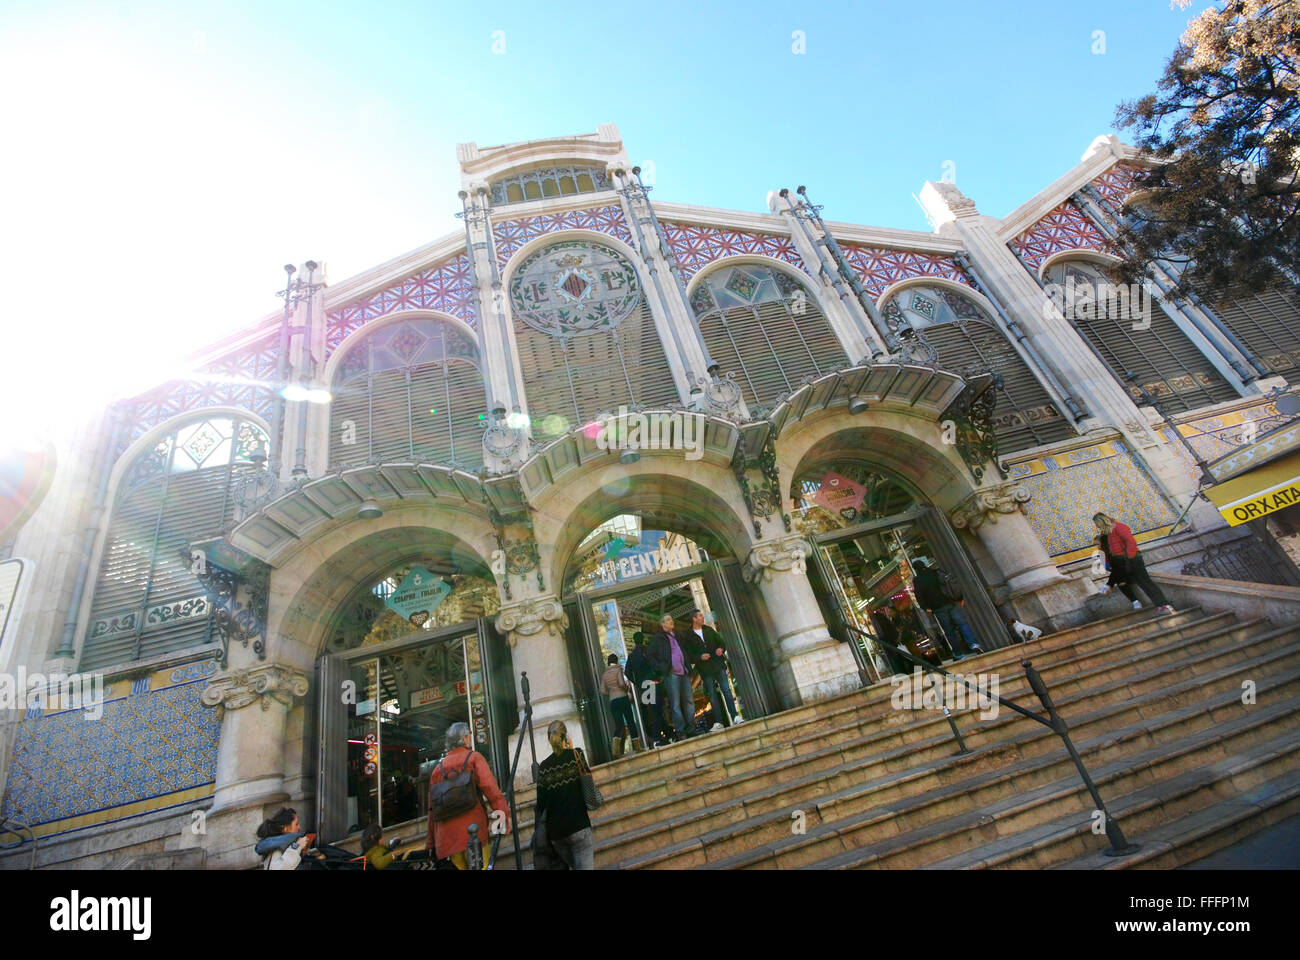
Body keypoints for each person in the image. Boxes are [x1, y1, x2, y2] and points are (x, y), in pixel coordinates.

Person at [425, 721, 510, 870]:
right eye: (469, 734)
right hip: (474, 832)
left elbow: (432, 810)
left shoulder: (437, 770)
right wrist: (503, 816)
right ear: (464, 739)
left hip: (447, 840)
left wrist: (430, 843)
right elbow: (491, 790)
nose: (471, 737)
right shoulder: (473, 758)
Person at [533, 720, 595, 870]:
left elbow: (541, 803)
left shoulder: (544, 767)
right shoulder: (576, 755)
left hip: (557, 833)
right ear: (565, 736)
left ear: (549, 739)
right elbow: (588, 783)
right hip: (579, 825)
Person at [1093, 513, 1175, 614]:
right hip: (1124, 561)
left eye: (1097, 524)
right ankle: (1159, 606)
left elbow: (1130, 542)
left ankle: (1165, 604)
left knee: (1146, 583)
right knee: (1142, 584)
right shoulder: (1108, 533)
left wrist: (1129, 558)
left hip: (1133, 559)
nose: (1097, 526)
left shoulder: (1119, 527)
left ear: (1102, 521)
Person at [911, 559, 983, 658]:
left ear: (915, 569)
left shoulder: (918, 580)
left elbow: (918, 596)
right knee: (962, 623)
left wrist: (925, 607)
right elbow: (951, 584)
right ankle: (973, 644)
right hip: (950, 603)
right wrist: (959, 597)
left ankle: (959, 653)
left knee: (949, 631)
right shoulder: (936, 572)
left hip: (937, 608)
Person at [686, 609, 741, 730]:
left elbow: (721, 642)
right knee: (712, 695)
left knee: (726, 690)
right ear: (694, 619)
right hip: (705, 670)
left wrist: (720, 649)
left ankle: (735, 716)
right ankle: (719, 722)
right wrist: (699, 657)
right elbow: (688, 655)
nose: (702, 618)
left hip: (718, 665)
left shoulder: (708, 630)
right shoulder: (688, 635)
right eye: (700, 616)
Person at [648, 614, 699, 741]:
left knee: (689, 701)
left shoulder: (678, 635)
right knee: (675, 704)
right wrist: (662, 667)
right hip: (671, 674)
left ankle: (691, 728)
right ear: (663, 624)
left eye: (671, 619)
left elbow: (684, 651)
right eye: (668, 620)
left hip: (684, 672)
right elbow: (649, 656)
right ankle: (681, 731)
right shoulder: (658, 638)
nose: (671, 621)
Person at [625, 631, 671, 746]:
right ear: (643, 639)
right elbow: (657, 665)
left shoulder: (632, 656)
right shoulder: (648, 650)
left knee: (655, 710)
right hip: (653, 683)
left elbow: (627, 672)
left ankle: (668, 734)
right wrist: (659, 676)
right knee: (657, 711)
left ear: (635, 641)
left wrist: (638, 682)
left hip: (644, 686)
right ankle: (657, 738)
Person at [600, 653, 642, 755]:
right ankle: (637, 746)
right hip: (622, 698)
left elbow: (602, 690)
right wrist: (626, 689)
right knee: (630, 721)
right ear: (616, 661)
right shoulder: (618, 670)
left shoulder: (605, 674)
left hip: (613, 701)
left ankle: (615, 749)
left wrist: (611, 693)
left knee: (618, 724)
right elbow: (621, 683)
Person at [1094, 531, 1142, 608]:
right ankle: (1135, 602)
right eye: (1096, 545)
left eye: (1098, 544)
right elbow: (1107, 567)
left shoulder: (1115, 548)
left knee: (1118, 570)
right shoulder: (1102, 553)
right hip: (1120, 574)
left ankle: (1108, 585)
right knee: (1120, 580)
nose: (1098, 546)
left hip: (1130, 571)